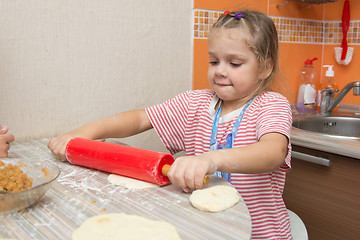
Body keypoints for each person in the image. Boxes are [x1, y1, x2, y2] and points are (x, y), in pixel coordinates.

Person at [49, 10, 293, 239]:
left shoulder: (271, 105)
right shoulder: (196, 103)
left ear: (265, 67)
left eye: (235, 63)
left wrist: (211, 159)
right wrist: (82, 133)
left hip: (261, 234)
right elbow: (141, 118)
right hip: (207, 230)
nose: (220, 71)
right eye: (214, 61)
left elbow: (273, 151)